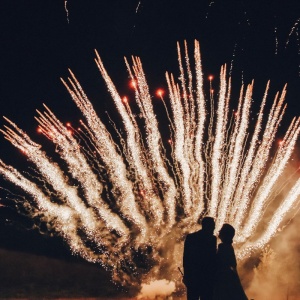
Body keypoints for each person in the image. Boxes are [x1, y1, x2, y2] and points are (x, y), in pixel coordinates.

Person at [183, 216, 217, 300]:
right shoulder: (212, 239)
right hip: (206, 279)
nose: (214, 228)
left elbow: (186, 259)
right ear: (207, 226)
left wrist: (187, 276)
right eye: (213, 225)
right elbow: (212, 259)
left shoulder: (191, 238)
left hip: (194, 277)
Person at [213, 223, 248, 300]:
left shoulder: (222, 247)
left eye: (221, 230)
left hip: (222, 277)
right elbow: (233, 264)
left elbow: (218, 262)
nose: (219, 231)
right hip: (228, 276)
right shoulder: (229, 247)